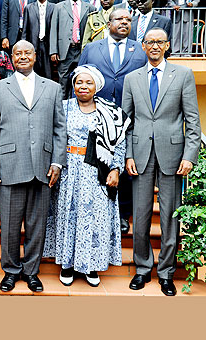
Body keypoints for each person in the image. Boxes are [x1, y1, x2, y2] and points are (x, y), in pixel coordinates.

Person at [122, 28, 201, 296]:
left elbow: (192, 121)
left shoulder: (183, 75)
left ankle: (166, 272)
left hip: (173, 156)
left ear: (167, 45)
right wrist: (128, 154)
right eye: (149, 42)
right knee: (141, 216)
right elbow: (127, 123)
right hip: (141, 155)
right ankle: (143, 269)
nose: (154, 46)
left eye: (159, 42)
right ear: (143, 47)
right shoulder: (132, 79)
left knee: (169, 217)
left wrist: (190, 156)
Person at [0, 40, 67, 293]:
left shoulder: (52, 88)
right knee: (9, 225)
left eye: (27, 53)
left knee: (36, 224)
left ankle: (31, 271)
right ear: (12, 57)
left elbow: (59, 129)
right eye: (17, 53)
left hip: (42, 166)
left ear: (34, 56)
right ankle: (10, 271)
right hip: (9, 165)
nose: (22, 57)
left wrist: (57, 162)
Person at [44, 65, 130, 287]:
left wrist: (116, 169)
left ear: (97, 86)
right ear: (73, 86)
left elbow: (119, 144)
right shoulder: (63, 107)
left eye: (88, 82)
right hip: (68, 170)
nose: (83, 86)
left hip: (98, 172)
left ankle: (91, 266)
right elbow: (52, 137)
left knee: (94, 218)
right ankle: (67, 264)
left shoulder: (110, 111)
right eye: (79, 82)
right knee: (68, 215)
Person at [79, 8, 147, 234]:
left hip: (130, 117)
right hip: (97, 116)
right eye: (119, 19)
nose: (125, 22)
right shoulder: (91, 48)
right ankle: (96, 212)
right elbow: (81, 77)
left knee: (125, 168)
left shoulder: (140, 49)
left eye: (128, 19)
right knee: (97, 164)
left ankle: (122, 215)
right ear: (109, 23)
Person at [49, 0, 96, 98]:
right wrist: (54, 50)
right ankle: (62, 105)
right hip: (65, 50)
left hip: (81, 50)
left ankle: (77, 104)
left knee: (80, 78)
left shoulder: (90, 7)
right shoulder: (59, 7)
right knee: (63, 80)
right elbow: (54, 29)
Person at [21, 0, 55, 79]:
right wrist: (24, 46)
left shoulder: (54, 7)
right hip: (33, 44)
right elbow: (25, 30)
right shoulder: (29, 8)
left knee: (48, 73)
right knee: (34, 72)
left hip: (48, 45)